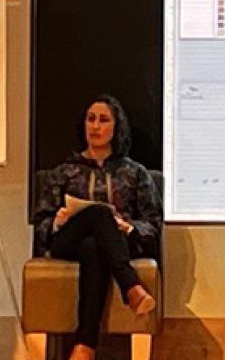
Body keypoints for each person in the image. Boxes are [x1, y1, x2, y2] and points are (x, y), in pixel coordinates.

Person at [31, 95, 161, 360]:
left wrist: (126, 227)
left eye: (103, 120)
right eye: (91, 119)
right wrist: (59, 220)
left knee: (93, 247)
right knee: (98, 213)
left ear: (116, 127)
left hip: (115, 244)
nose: (96, 126)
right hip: (67, 241)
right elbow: (41, 224)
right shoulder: (64, 171)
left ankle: (85, 346)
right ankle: (131, 286)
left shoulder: (135, 173)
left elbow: (152, 224)